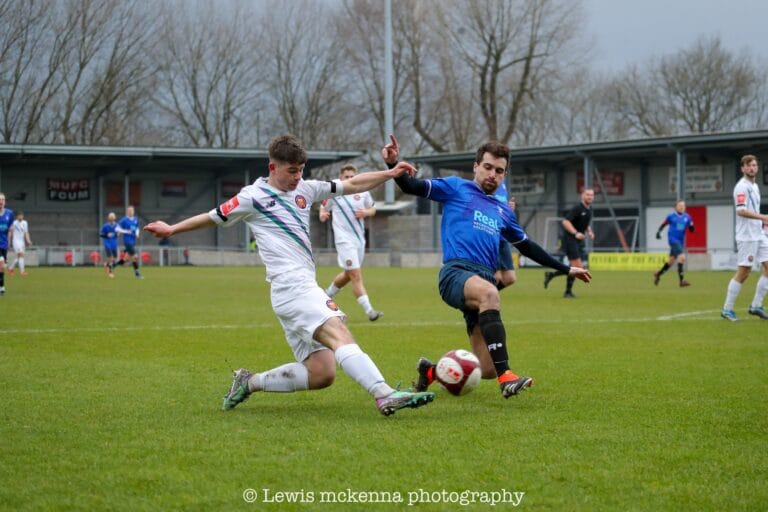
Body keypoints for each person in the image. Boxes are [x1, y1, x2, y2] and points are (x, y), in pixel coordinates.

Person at [144, 134, 435, 416]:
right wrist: (172, 229)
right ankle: (383, 393)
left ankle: (250, 382)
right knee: (339, 332)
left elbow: (353, 183)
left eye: (301, 171)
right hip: (291, 287)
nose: (297, 177)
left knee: (322, 372)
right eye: (291, 171)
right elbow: (212, 216)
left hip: (297, 290)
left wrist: (392, 172)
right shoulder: (252, 197)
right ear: (273, 167)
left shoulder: (306, 190)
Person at [382, 134, 591, 399]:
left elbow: (527, 246)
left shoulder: (503, 212)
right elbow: (412, 186)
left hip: (482, 280)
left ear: (504, 175)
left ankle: (432, 372)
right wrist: (394, 165)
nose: (493, 174)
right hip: (455, 273)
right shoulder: (456, 187)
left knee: (487, 367)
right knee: (491, 294)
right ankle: (508, 378)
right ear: (476, 166)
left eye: (500, 171)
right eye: (488, 167)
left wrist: (566, 268)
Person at [319, 164, 382, 321]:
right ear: (341, 178)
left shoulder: (362, 191)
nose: (349, 179)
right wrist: (322, 214)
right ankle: (370, 312)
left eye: (352, 177)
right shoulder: (334, 191)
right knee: (355, 275)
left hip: (359, 239)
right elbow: (323, 206)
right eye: (346, 177)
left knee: (349, 274)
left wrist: (366, 212)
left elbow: (373, 209)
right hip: (343, 240)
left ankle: (325, 296)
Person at [721, 154, 768, 321]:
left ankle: (756, 306)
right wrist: (763, 217)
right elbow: (740, 210)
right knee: (744, 272)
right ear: (742, 169)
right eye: (748, 166)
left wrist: (762, 224)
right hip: (747, 236)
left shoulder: (754, 186)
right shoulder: (741, 187)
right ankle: (727, 309)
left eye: (754, 165)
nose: (752, 168)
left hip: (759, 234)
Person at [543, 188, 595, 298]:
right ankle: (567, 292)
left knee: (575, 267)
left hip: (578, 241)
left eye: (592, 195)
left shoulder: (589, 210)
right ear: (582, 196)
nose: (590, 197)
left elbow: (585, 224)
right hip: (570, 240)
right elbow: (565, 221)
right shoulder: (577, 208)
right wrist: (575, 233)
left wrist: (589, 231)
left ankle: (552, 275)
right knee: (578, 267)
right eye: (587, 195)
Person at [653, 200, 694, 287]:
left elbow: (691, 229)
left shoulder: (687, 217)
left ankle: (658, 274)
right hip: (673, 240)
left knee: (671, 261)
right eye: (680, 206)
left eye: (683, 205)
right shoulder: (671, 216)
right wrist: (658, 232)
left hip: (680, 241)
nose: (682, 207)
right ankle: (682, 281)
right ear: (676, 207)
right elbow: (663, 224)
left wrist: (691, 226)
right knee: (682, 257)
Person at [495, 193, 517, 289]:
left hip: (503, 238)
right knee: (495, 278)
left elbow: (502, 211)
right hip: (492, 236)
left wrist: (508, 209)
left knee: (510, 278)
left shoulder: (502, 186)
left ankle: (484, 298)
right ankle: (485, 300)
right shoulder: (489, 182)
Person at [116, 205, 142, 278]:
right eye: (129, 210)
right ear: (127, 212)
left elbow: (137, 228)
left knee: (126, 259)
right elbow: (117, 228)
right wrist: (125, 231)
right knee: (135, 257)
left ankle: (112, 266)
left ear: (133, 211)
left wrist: (137, 233)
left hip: (133, 241)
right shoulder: (124, 220)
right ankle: (137, 273)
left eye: (132, 210)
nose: (131, 212)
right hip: (127, 241)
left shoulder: (135, 219)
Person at [8, 211, 32, 276]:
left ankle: (10, 268)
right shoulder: (13, 223)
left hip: (22, 242)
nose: (20, 217)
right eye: (19, 215)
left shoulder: (25, 223)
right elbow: (10, 232)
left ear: (23, 216)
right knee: (21, 255)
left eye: (21, 215)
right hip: (16, 241)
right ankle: (22, 272)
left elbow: (26, 233)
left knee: (20, 257)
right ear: (17, 216)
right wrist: (9, 242)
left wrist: (28, 240)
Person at [0, 192, 13, 295]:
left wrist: (8, 242)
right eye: (0, 200)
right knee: (1, 263)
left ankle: (2, 286)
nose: (1, 202)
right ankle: (2, 288)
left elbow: (10, 229)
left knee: (2, 267)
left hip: (4, 244)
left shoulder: (9, 213)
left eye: (3, 200)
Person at [100, 212, 119, 278]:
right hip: (107, 243)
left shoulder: (117, 225)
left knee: (115, 258)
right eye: (110, 216)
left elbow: (118, 233)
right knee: (110, 258)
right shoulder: (105, 226)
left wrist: (118, 234)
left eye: (113, 216)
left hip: (114, 244)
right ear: (108, 218)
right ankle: (110, 272)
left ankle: (106, 264)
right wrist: (106, 235)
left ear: (114, 218)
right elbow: (101, 234)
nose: (111, 218)